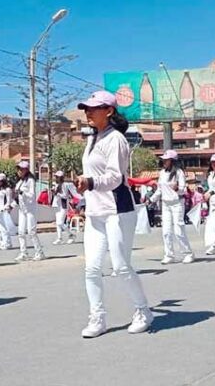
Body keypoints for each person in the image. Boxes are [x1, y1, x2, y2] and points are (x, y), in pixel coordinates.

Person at [75, 90, 152, 338]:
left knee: (120, 266)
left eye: (93, 108)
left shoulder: (116, 139)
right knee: (91, 268)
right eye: (86, 108)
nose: (88, 112)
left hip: (117, 210)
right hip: (96, 212)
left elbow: (116, 177)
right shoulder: (92, 139)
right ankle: (97, 318)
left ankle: (143, 311)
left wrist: (90, 182)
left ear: (108, 111)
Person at [147, 150, 195, 264]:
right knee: (166, 231)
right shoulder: (162, 173)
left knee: (178, 230)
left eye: (166, 159)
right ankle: (169, 254)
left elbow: (183, 190)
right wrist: (151, 200)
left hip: (177, 203)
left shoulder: (179, 173)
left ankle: (188, 253)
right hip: (165, 204)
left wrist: (177, 188)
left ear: (172, 161)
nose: (164, 161)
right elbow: (159, 190)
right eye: (163, 159)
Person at [14, 161, 45, 261]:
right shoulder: (19, 182)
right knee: (21, 232)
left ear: (26, 170)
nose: (19, 171)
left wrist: (23, 192)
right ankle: (24, 253)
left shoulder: (30, 180)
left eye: (21, 169)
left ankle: (39, 252)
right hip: (22, 210)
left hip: (31, 209)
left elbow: (32, 195)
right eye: (18, 169)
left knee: (31, 231)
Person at [52, 170, 79, 245]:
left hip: (63, 205)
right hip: (57, 205)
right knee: (58, 223)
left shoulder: (64, 185)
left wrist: (57, 193)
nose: (56, 178)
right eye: (56, 177)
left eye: (58, 177)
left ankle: (71, 234)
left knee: (60, 222)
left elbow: (65, 196)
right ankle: (59, 238)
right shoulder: (55, 185)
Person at [0, 174, 15, 250]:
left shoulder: (7, 190)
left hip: (4, 211)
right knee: (0, 229)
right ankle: (2, 242)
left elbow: (9, 201)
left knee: (4, 228)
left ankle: (7, 243)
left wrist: (5, 209)